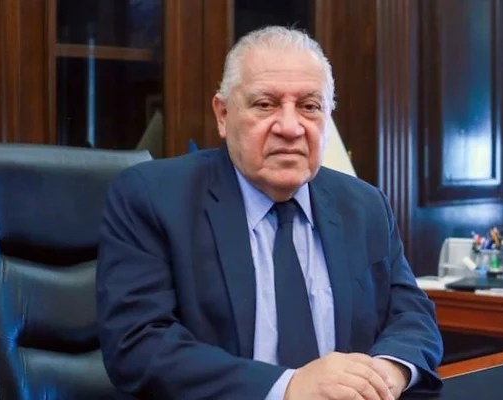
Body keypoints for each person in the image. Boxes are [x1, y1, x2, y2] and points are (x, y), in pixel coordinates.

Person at [97, 26, 443, 400]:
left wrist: (384, 373)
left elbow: (413, 316)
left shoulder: (364, 205)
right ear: (223, 114)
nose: (291, 128)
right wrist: (288, 387)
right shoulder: (153, 198)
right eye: (265, 104)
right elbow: (138, 345)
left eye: (310, 106)